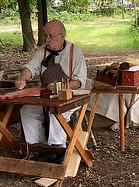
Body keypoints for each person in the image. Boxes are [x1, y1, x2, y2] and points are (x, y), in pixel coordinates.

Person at [15, 19, 87, 161]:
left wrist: (60, 87)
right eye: (45, 36)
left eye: (51, 36)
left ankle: (57, 149)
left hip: (70, 96)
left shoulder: (75, 52)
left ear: (62, 36)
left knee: (56, 112)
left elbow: (79, 82)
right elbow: (30, 67)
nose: (47, 39)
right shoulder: (43, 50)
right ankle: (37, 147)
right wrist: (23, 78)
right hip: (47, 96)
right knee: (26, 111)